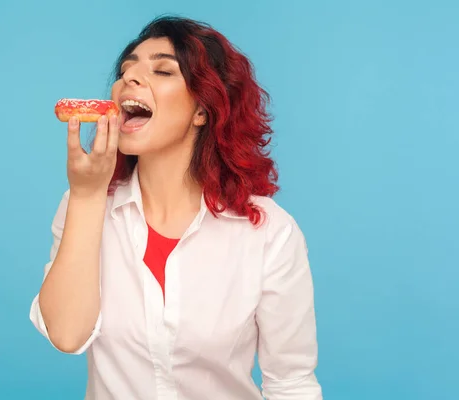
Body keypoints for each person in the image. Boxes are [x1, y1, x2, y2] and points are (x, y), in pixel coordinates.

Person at [29, 15, 323, 400]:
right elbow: (67, 335)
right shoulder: (83, 206)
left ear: (202, 110)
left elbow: (291, 383)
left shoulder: (269, 233)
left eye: (163, 71)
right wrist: (86, 196)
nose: (128, 79)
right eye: (125, 69)